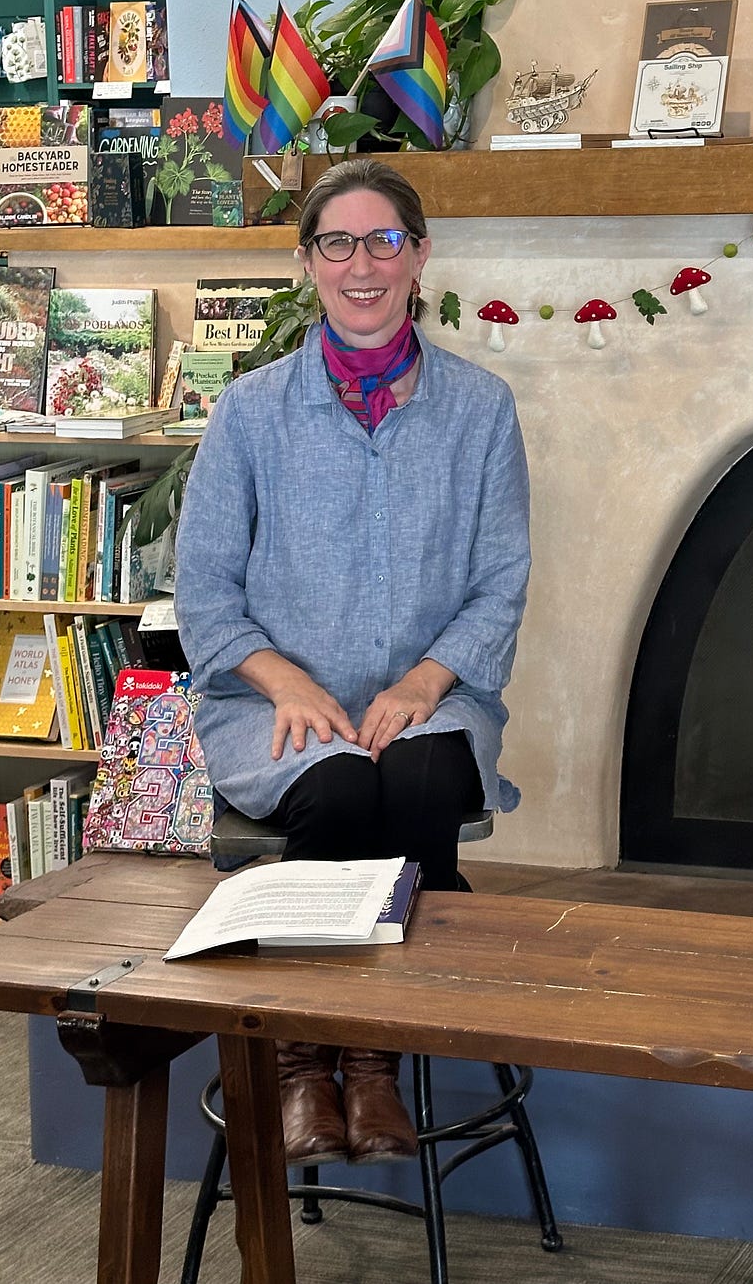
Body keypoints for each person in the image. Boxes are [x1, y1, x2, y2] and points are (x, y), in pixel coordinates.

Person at [175, 157, 530, 1167]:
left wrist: (423, 683)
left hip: (434, 696)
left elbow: (501, 581)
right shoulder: (250, 412)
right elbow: (204, 589)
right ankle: (303, 1063)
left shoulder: (481, 409)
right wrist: (283, 679)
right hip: (272, 702)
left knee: (415, 783)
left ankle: (369, 1063)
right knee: (336, 792)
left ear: (419, 256)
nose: (361, 265)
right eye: (338, 243)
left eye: (383, 241)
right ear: (307, 261)